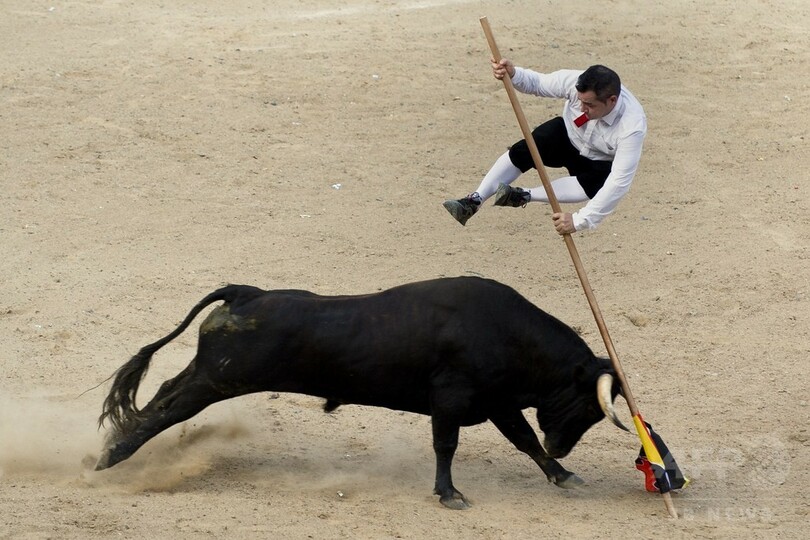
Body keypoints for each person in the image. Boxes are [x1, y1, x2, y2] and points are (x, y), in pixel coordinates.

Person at [443, 60, 646, 235]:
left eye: (590, 105)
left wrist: (579, 221)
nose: (582, 108)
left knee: (599, 183)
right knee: (530, 145)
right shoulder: (574, 81)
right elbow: (539, 83)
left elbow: (619, 183)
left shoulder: (631, 127)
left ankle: (524, 195)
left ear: (612, 101)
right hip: (566, 135)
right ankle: (474, 200)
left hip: (598, 159)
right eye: (580, 101)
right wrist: (513, 74)